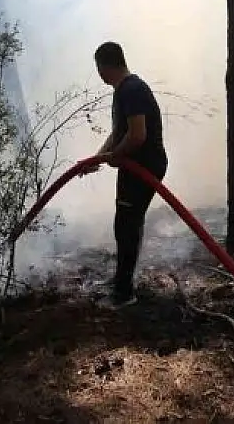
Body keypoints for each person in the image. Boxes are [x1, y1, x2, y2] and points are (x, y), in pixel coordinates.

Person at [87, 41, 168, 309]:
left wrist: (116, 156)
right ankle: (125, 283)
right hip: (137, 166)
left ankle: (124, 293)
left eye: (99, 68)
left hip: (144, 166)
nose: (99, 74)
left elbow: (137, 135)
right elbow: (120, 133)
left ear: (105, 66)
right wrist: (99, 157)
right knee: (128, 223)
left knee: (126, 225)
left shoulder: (131, 89)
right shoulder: (124, 90)